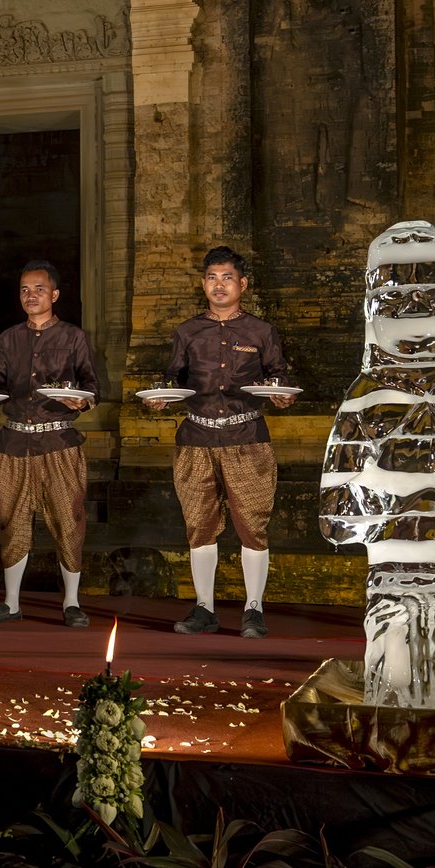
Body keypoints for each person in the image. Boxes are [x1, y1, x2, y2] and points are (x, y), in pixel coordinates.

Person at [142, 246, 295, 638]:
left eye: (227, 278)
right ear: (203, 284)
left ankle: (254, 610)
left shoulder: (262, 332)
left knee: (253, 526)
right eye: (212, 277)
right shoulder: (187, 332)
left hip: (248, 439)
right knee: (199, 525)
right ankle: (204, 608)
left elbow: (278, 377)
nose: (219, 285)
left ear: (242, 284)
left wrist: (282, 395)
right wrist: (161, 399)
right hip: (195, 438)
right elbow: (172, 380)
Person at [0, 262, 97, 628]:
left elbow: (92, 387)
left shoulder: (73, 337)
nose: (31, 296)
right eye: (25, 290)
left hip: (59, 441)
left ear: (55, 295)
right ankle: (11, 603)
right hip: (13, 442)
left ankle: (72, 603)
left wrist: (82, 400)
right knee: (12, 520)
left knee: (68, 519)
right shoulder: (7, 339)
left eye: (39, 290)